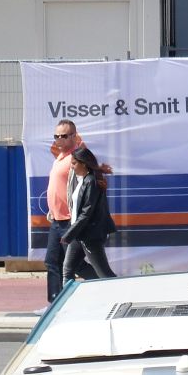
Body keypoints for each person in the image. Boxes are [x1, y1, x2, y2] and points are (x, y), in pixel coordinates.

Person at [44, 119, 101, 302]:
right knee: (52, 262)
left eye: (64, 136)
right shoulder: (59, 159)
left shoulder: (76, 160)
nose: (59, 140)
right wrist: (52, 210)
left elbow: (86, 187)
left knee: (76, 265)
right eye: (56, 136)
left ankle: (107, 284)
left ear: (74, 137)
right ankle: (55, 303)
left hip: (71, 221)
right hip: (57, 220)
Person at [60, 145, 117, 285]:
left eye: (74, 163)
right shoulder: (83, 180)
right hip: (79, 233)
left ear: (83, 163)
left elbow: (86, 213)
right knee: (68, 270)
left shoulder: (91, 181)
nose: (71, 167)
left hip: (89, 235)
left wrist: (69, 234)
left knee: (104, 273)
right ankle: (66, 303)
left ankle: (121, 294)